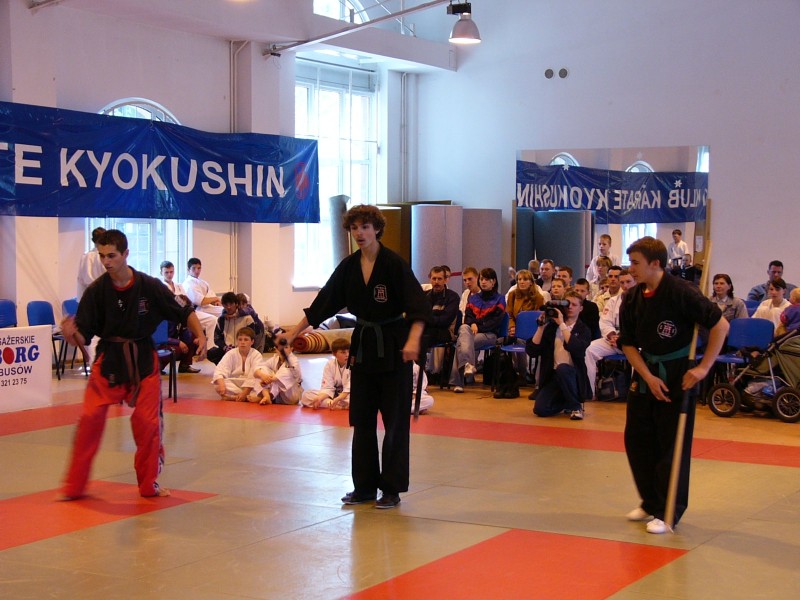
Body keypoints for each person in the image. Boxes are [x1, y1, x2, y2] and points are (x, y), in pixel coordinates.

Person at [282, 204, 431, 510]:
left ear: (377, 229)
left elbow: (418, 307)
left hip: (394, 347)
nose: (359, 233)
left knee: (395, 423)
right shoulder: (349, 267)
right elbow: (323, 303)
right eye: (354, 228)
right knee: (362, 420)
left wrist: (413, 340)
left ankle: (391, 489)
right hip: (363, 347)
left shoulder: (393, 264)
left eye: (365, 227)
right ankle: (364, 487)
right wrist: (293, 332)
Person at [60, 229, 207, 500]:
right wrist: (72, 335)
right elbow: (83, 335)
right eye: (102, 256)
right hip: (109, 361)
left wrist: (201, 335)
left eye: (112, 255)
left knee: (147, 424)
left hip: (143, 361)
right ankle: (74, 486)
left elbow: (184, 311)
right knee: (89, 420)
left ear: (126, 254)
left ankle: (148, 484)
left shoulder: (149, 286)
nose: (106, 261)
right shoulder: (96, 291)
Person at [619, 236, 728, 534]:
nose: (631, 269)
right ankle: (650, 501)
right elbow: (627, 343)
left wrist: (703, 368)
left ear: (655, 263)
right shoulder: (632, 297)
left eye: (636, 263)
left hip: (679, 372)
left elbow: (721, 326)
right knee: (637, 439)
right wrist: (647, 376)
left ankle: (668, 512)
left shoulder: (682, 292)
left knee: (671, 443)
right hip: (646, 372)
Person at [526, 290, 592, 420]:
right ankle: (566, 401)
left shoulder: (584, 330)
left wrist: (562, 324)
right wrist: (541, 327)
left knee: (563, 368)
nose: (570, 307)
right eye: (567, 304)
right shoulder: (552, 327)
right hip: (554, 375)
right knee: (540, 409)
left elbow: (575, 348)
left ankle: (576, 406)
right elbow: (532, 351)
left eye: (574, 304)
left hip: (573, 375)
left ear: (581, 308)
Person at [450, 267, 506, 392]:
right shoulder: (473, 298)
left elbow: (495, 322)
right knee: (464, 328)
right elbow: (468, 318)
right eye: (481, 279)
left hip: (490, 334)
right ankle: (467, 365)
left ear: (493, 282)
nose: (483, 282)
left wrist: (477, 326)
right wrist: (472, 324)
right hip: (472, 332)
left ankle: (458, 382)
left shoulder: (500, 299)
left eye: (487, 279)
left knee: (461, 342)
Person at [584, 269, 637, 397]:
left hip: (634, 343)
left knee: (640, 357)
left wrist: (623, 339)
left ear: (635, 281)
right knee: (589, 350)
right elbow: (605, 322)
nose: (625, 285)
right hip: (613, 340)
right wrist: (612, 336)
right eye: (622, 282)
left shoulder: (643, 301)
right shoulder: (613, 301)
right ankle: (589, 392)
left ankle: (635, 395)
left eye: (628, 282)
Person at [211, 327, 266, 402]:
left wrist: (245, 392)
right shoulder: (231, 354)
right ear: (237, 341)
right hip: (234, 382)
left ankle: (234, 397)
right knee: (218, 384)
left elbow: (255, 373)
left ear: (252, 341)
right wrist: (222, 385)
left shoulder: (256, 355)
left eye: (246, 339)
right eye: (240, 339)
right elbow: (219, 370)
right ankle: (245, 398)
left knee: (260, 382)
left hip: (250, 386)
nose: (242, 342)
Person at [425, 265, 460, 380]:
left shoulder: (453, 297)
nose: (436, 282)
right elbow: (421, 316)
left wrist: (429, 318)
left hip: (446, 332)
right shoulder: (424, 296)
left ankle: (423, 375)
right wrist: (434, 317)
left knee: (423, 337)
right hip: (429, 330)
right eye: (434, 278)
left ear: (445, 280)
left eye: (439, 279)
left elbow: (445, 321)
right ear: (430, 279)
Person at [300, 338, 351, 410]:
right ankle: (333, 404)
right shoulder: (330, 364)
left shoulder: (353, 365)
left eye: (348, 351)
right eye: (343, 352)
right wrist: (320, 398)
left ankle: (333, 404)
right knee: (306, 395)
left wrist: (338, 399)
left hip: (347, 395)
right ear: (334, 354)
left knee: (356, 399)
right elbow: (327, 387)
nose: (347, 355)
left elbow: (349, 388)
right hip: (334, 395)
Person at [183, 257, 222, 349]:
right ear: (188, 270)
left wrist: (216, 301)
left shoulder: (203, 282)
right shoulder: (188, 284)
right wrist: (215, 299)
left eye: (199, 268)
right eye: (194, 268)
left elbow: (211, 298)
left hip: (207, 307)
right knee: (212, 319)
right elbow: (201, 301)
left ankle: (224, 340)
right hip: (197, 309)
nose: (197, 271)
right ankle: (210, 346)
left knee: (225, 311)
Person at [207, 292, 255, 364]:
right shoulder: (221, 320)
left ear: (236, 304)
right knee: (211, 353)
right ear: (223, 305)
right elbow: (217, 338)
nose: (229, 307)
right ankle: (225, 366)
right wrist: (225, 347)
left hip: (243, 348)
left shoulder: (247, 318)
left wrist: (240, 347)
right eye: (226, 305)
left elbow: (252, 337)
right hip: (227, 350)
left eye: (231, 304)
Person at [254, 339, 304, 405]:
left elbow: (281, 376)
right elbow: (257, 369)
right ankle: (267, 397)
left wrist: (267, 380)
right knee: (263, 370)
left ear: (291, 349)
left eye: (286, 347)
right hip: (278, 395)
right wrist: (262, 375)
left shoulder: (294, 361)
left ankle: (266, 397)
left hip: (291, 395)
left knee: (278, 379)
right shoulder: (275, 359)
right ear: (276, 349)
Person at [77, 227, 107, 298]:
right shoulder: (106, 256)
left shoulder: (85, 257)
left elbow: (80, 280)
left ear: (92, 240)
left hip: (88, 295)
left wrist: (80, 300)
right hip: (103, 294)